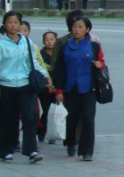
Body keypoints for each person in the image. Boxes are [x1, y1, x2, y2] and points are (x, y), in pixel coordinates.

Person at [52, 15, 105, 162]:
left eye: (80, 27)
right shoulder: (64, 47)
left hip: (89, 88)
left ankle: (87, 151)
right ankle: (70, 143)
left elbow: (101, 62)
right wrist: (59, 91)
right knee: (72, 118)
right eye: (75, 26)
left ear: (87, 29)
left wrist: (99, 65)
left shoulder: (94, 46)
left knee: (88, 118)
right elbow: (59, 71)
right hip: (71, 88)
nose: (77, 29)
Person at [0, 11, 49, 163]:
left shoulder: (27, 42)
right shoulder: (1, 43)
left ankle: (31, 151)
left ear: (19, 24)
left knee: (29, 117)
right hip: (6, 86)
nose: (13, 25)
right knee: (8, 120)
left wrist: (46, 75)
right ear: (5, 24)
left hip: (25, 86)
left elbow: (32, 62)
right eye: (9, 22)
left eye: (16, 22)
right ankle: (6, 151)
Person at [37, 31, 57, 144]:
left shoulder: (59, 53)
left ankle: (53, 134)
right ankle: (41, 133)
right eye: (47, 40)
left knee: (56, 112)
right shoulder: (40, 54)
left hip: (57, 87)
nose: (49, 42)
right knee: (46, 111)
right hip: (44, 87)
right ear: (43, 41)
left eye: (52, 39)